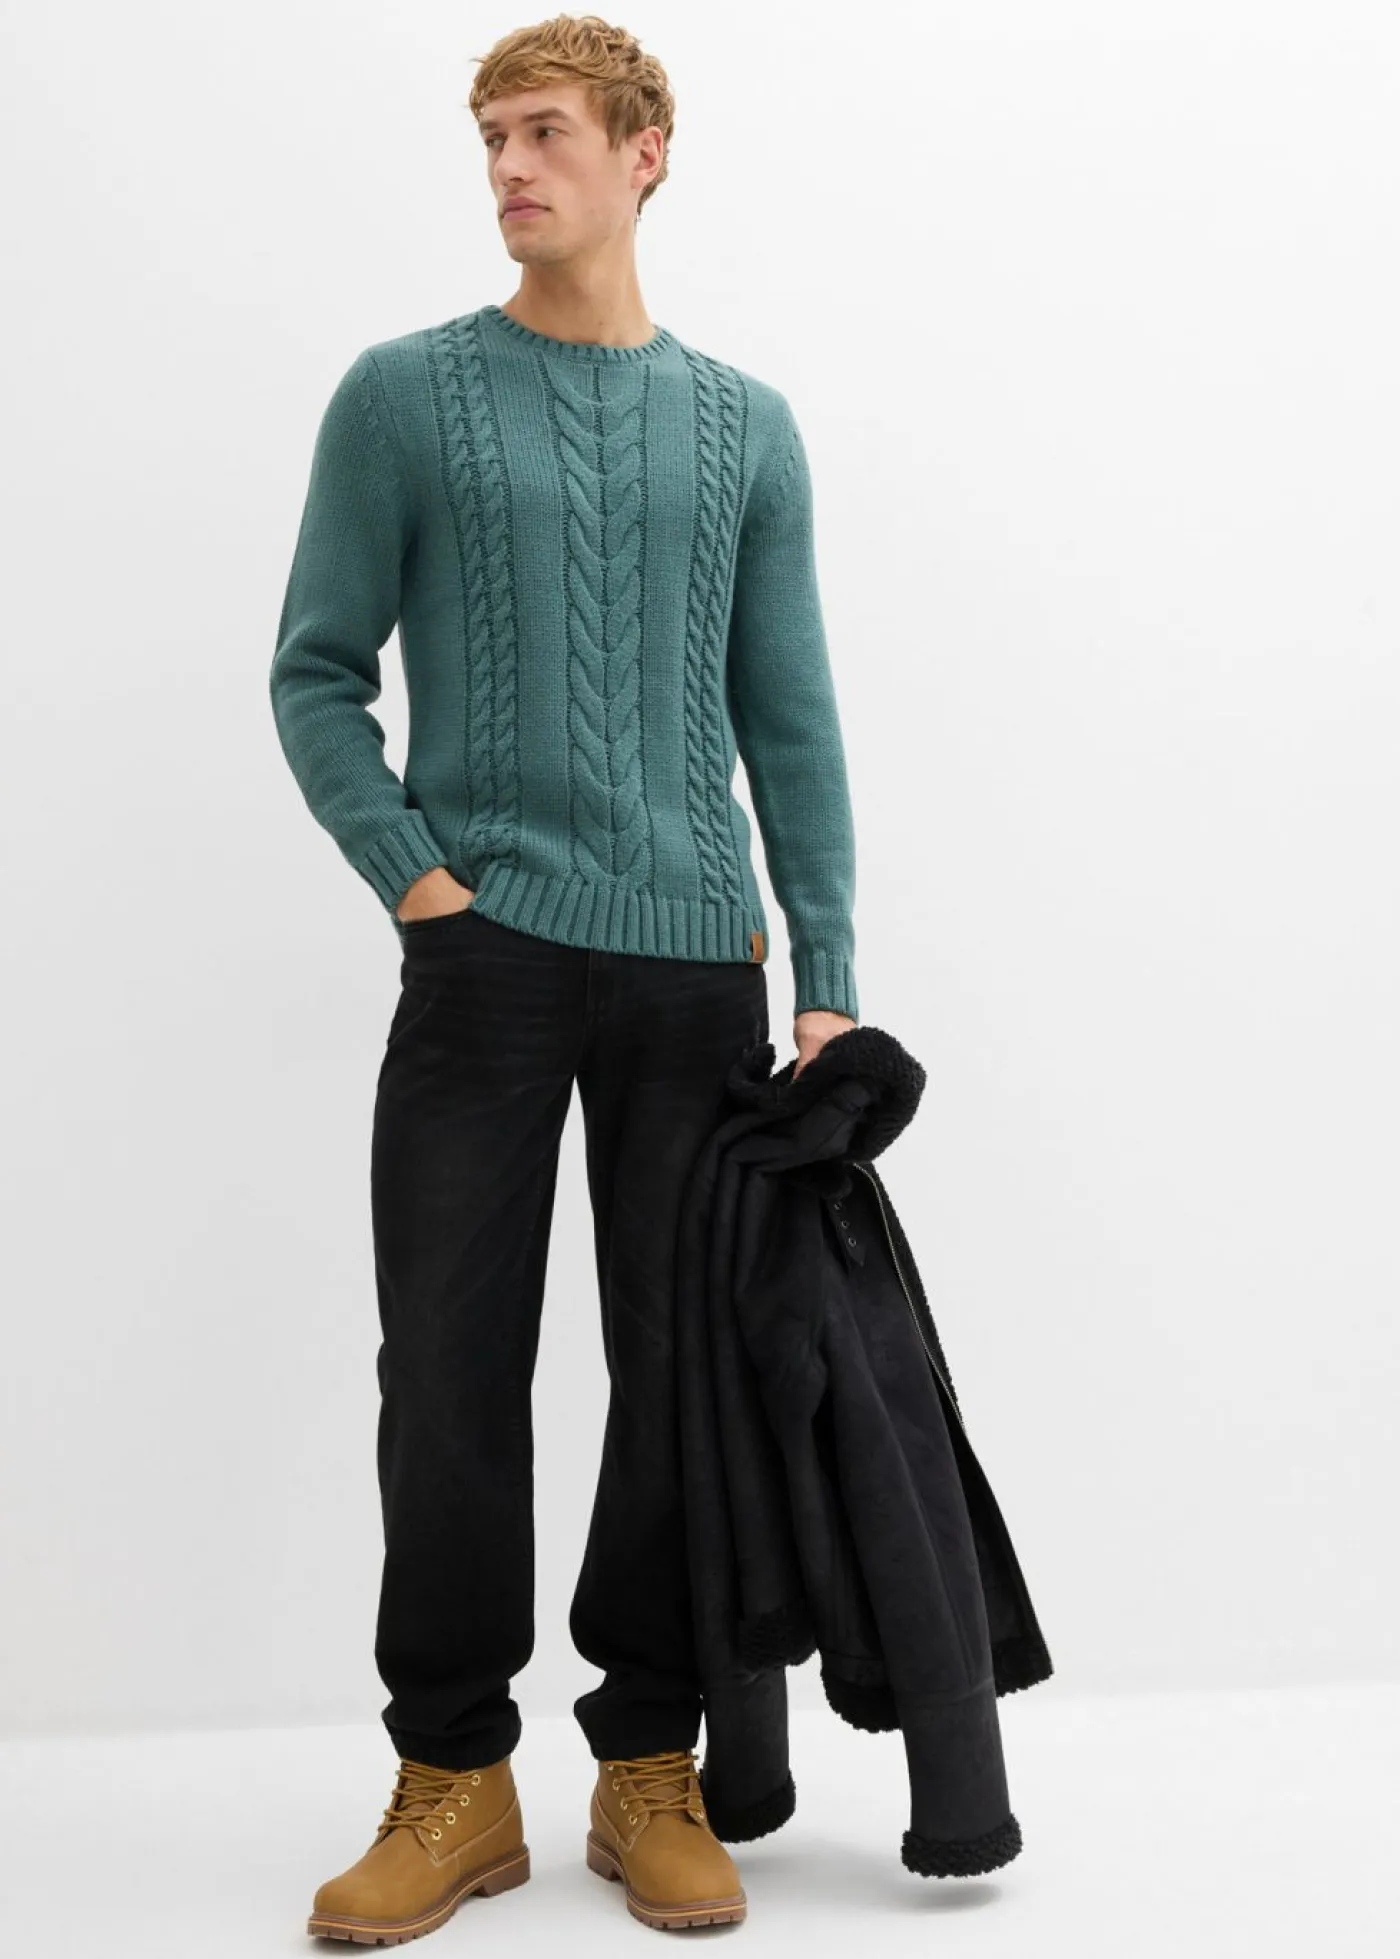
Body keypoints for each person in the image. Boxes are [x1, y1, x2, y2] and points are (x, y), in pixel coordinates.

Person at [270, 12, 860, 1941]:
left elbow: (790, 719)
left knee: (678, 1371)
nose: (509, 169)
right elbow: (315, 671)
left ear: (643, 150)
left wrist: (827, 974)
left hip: (697, 973)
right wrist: (420, 885)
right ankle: (451, 1777)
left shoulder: (746, 425)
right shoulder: (403, 395)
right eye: (491, 140)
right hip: (488, 959)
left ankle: (646, 1760)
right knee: (446, 1367)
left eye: (542, 133)